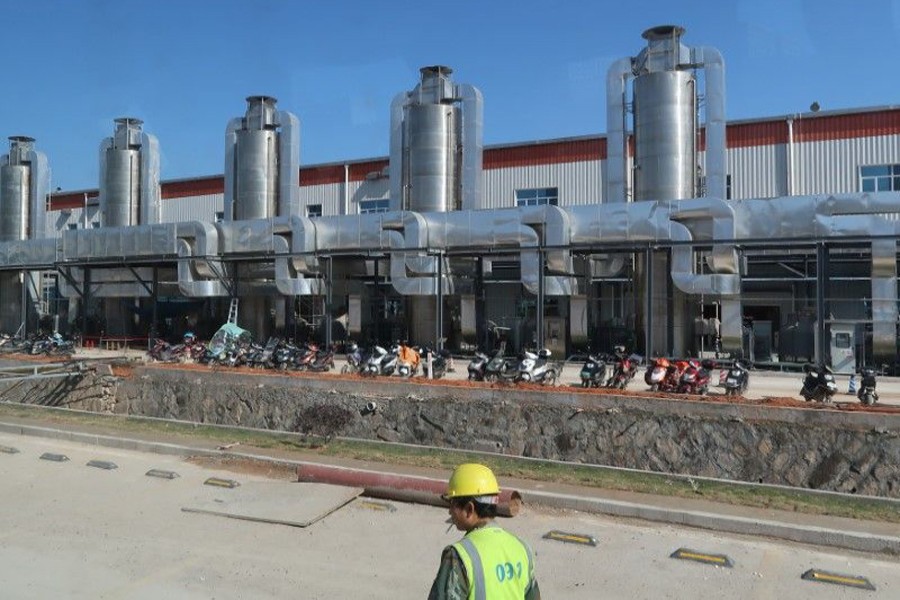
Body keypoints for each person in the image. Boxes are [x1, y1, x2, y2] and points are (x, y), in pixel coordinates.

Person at [428, 463, 540, 600]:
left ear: (469, 509)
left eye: (452, 504)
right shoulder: (522, 548)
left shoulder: (459, 556)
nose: (449, 511)